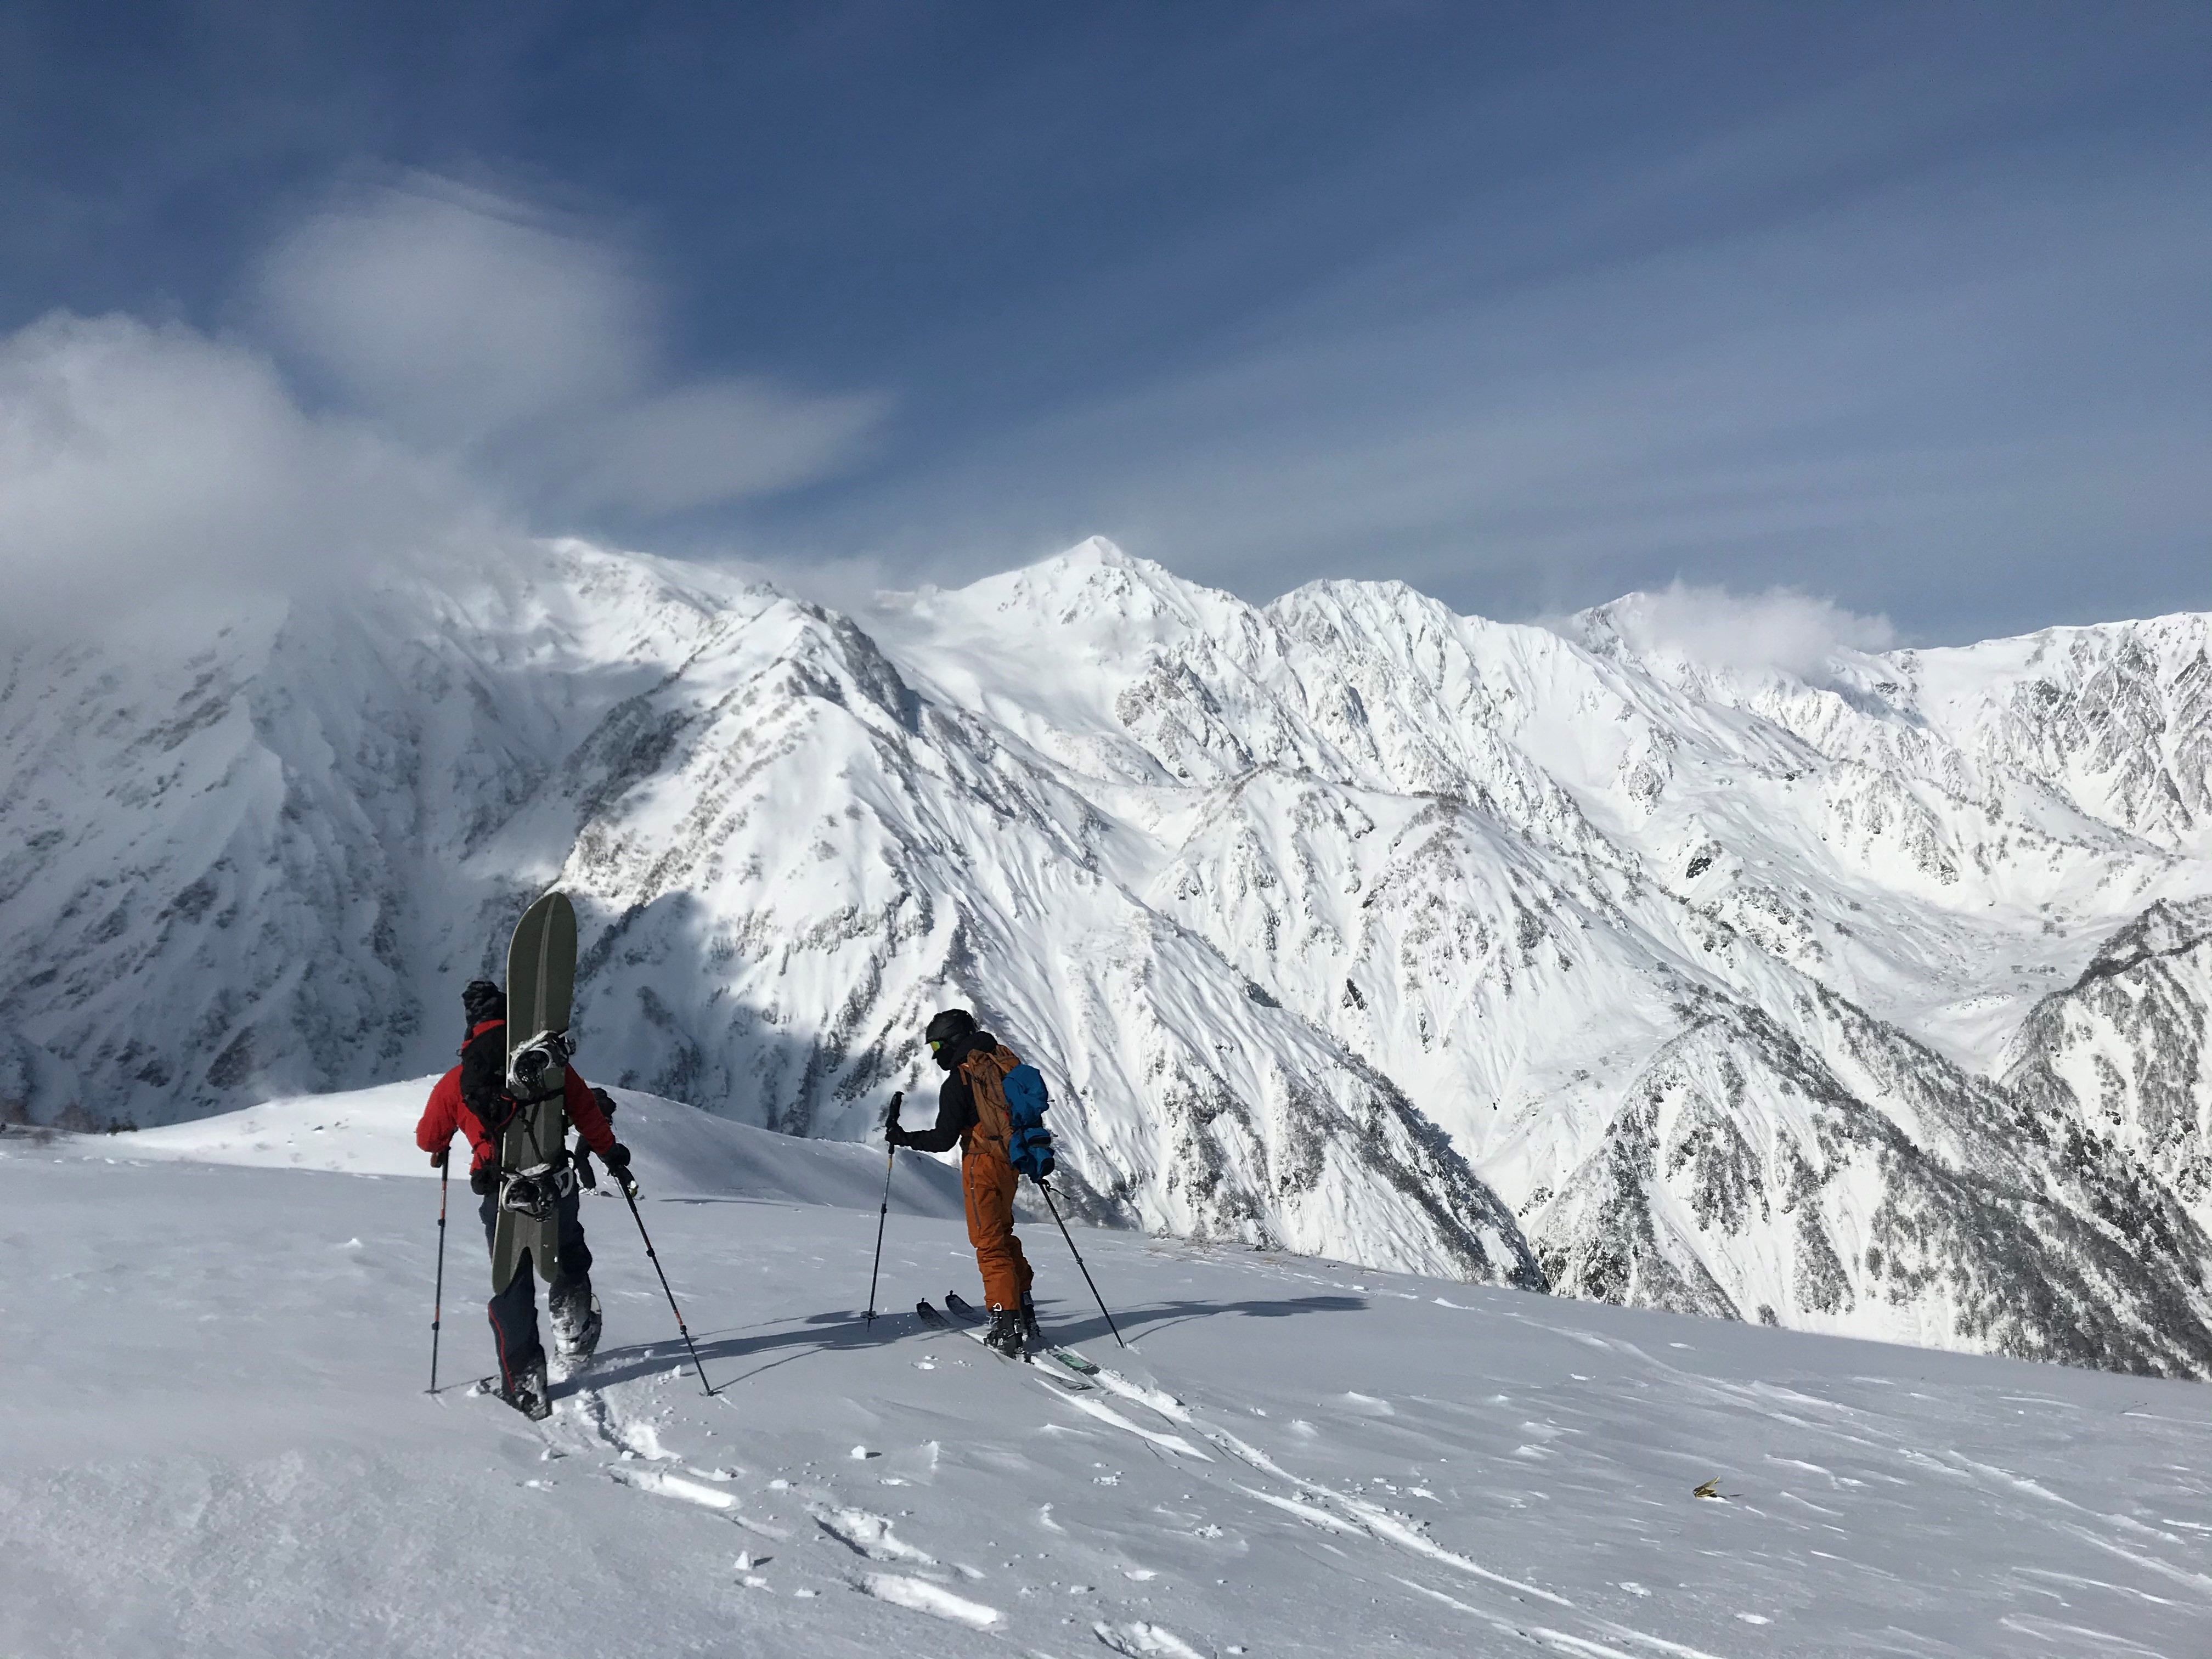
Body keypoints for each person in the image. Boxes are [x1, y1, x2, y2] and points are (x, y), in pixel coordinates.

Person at [415, 979, 631, 1418]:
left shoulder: (457, 1082)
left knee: (512, 1282)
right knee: (568, 1251)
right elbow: (588, 1114)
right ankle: (574, 1331)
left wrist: (449, 1140)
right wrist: (611, 1153)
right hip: (557, 1181)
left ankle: (525, 1384)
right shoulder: (550, 1067)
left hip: (500, 1193)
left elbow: (427, 1140)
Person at [887, 1007, 1042, 1356]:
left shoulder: (961, 1080)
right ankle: (1023, 1304)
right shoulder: (1001, 1064)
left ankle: (1005, 1323)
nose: (936, 1055)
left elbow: (943, 1139)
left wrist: (904, 1137)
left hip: (981, 1165)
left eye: (938, 1047)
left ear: (952, 1042)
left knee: (988, 1243)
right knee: (1003, 1234)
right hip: (1010, 1162)